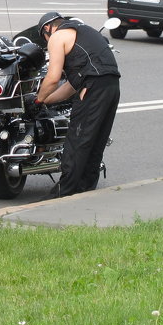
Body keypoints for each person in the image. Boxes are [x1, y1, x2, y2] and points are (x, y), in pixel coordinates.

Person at [35, 11, 120, 198]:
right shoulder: (84, 31)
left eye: (44, 37)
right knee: (96, 141)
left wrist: (37, 100)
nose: (47, 41)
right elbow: (72, 85)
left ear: (48, 28)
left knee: (77, 140)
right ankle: (86, 190)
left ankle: (64, 192)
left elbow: (52, 78)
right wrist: (47, 101)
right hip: (112, 86)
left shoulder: (57, 37)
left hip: (93, 86)